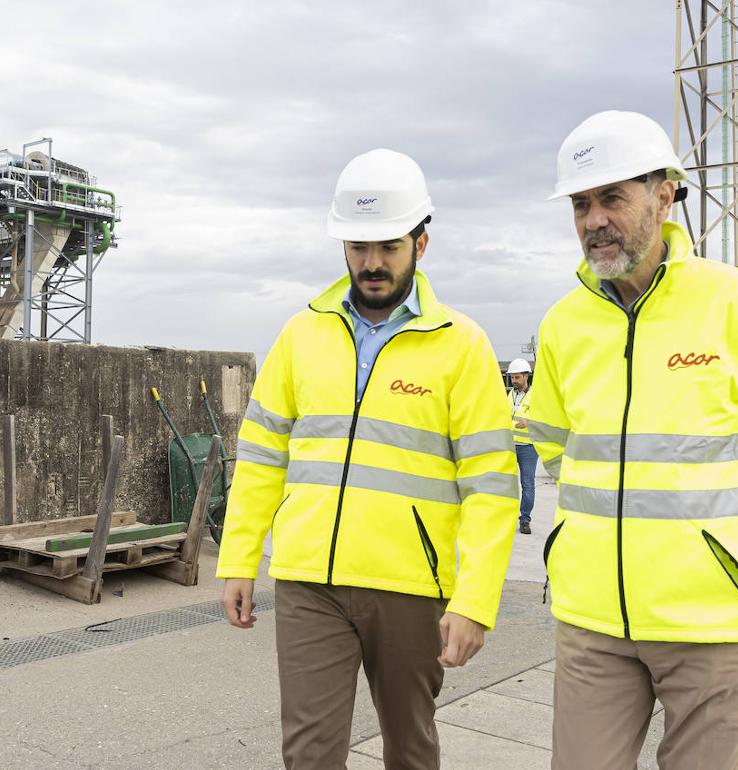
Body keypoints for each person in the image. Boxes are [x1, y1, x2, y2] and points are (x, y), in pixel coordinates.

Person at [528, 110, 738, 770]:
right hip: (593, 620)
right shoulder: (562, 325)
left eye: (612, 197)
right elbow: (557, 447)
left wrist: (730, 540)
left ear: (664, 193)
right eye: (581, 204)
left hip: (714, 620)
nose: (593, 220)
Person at [217, 148, 518, 770]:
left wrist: (476, 600)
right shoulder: (302, 335)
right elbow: (262, 454)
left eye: (388, 246)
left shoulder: (461, 345)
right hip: (308, 582)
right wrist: (240, 558)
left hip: (411, 586)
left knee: (409, 750)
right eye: (358, 247)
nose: (372, 263)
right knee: (308, 755)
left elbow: (492, 484)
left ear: (421, 243)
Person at [507, 358, 537, 534]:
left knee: (527, 484)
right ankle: (506, 517)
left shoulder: (537, 396)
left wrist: (530, 422)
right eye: (512, 378)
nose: (514, 381)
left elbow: (547, 419)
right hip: (509, 445)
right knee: (505, 484)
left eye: (517, 377)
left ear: (527, 376)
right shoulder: (510, 394)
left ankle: (525, 520)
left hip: (528, 447)